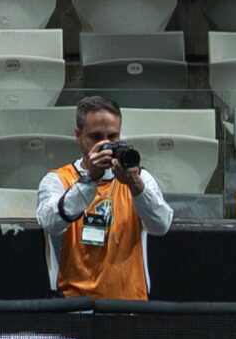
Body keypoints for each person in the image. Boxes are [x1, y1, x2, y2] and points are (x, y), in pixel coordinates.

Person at [36, 95, 173, 301]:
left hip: (129, 306)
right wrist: (89, 179)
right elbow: (50, 222)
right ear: (78, 135)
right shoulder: (57, 180)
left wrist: (136, 187)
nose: (105, 145)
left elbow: (161, 226)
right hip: (75, 306)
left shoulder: (138, 178)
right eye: (96, 137)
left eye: (112, 137)